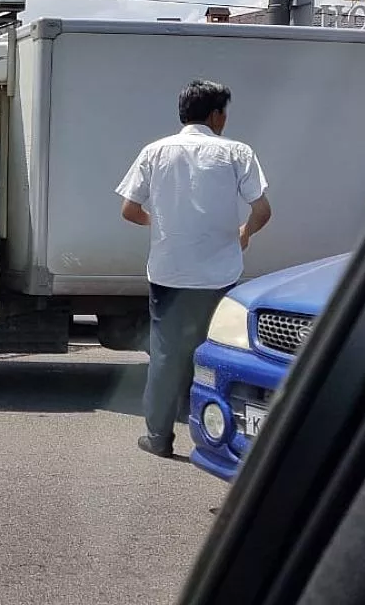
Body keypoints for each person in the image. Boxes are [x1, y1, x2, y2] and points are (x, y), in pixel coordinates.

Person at [116, 79, 272, 459]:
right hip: (221, 274)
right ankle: (223, 437)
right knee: (219, 352)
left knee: (167, 355)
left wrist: (165, 224)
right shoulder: (237, 152)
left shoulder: (155, 152)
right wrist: (244, 234)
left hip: (169, 273)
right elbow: (263, 210)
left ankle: (158, 437)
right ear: (217, 115)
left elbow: (129, 210)